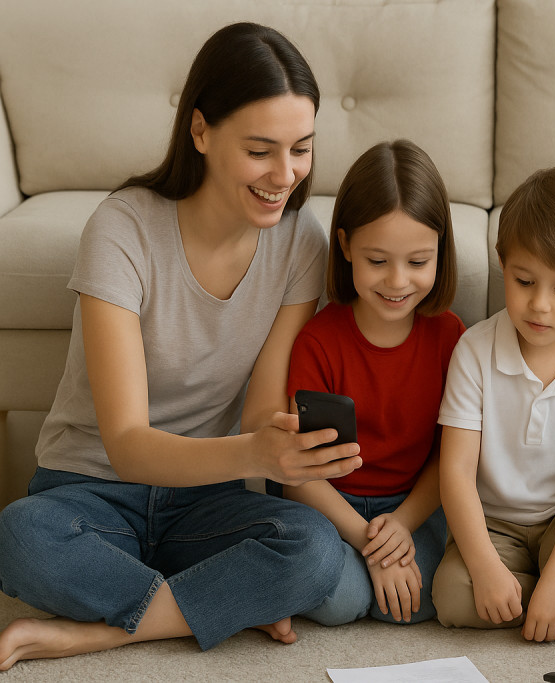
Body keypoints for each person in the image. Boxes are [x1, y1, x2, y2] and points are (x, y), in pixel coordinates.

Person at [0, 23, 361, 670]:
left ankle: (97, 630)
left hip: (204, 497)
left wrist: (285, 448)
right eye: (261, 151)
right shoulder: (123, 228)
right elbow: (127, 443)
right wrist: (256, 453)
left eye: (301, 148)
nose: (286, 174)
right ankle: (211, 602)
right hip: (92, 489)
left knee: (314, 547)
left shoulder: (299, 240)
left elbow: (256, 415)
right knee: (21, 537)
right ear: (200, 132)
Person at [433, 165, 555, 642]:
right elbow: (456, 472)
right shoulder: (474, 351)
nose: (540, 305)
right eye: (524, 282)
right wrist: (484, 568)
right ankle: (530, 594)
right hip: (495, 519)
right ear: (503, 263)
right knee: (453, 597)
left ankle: (549, 592)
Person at [283, 139, 464, 626]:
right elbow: (301, 476)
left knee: (423, 601)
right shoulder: (318, 342)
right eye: (378, 261)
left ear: (440, 251)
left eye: (418, 262)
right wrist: (369, 541)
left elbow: (452, 456)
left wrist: (400, 527)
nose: (398, 282)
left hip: (412, 506)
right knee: (338, 600)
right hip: (331, 509)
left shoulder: (449, 337)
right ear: (344, 246)